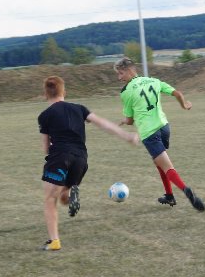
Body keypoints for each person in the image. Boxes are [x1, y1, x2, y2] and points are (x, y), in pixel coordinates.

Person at [38, 76, 139, 251]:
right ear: (64, 92)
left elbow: (46, 148)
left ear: (45, 94)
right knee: (62, 196)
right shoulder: (80, 109)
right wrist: (127, 136)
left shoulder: (45, 116)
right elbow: (103, 124)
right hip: (80, 160)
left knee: (50, 199)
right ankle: (70, 192)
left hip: (60, 158)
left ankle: (54, 241)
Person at [114, 57, 205, 212]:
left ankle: (186, 190)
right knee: (159, 163)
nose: (119, 77)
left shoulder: (126, 92)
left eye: (121, 73)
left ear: (129, 70)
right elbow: (177, 93)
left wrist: (124, 121)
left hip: (149, 133)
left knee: (167, 166)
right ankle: (169, 196)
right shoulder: (154, 81)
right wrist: (184, 105)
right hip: (164, 127)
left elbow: (130, 120)